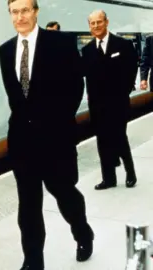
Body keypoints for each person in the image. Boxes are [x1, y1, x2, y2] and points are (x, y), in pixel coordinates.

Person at [0, 0, 94, 268]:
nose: (20, 16)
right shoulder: (4, 50)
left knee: (64, 193)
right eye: (15, 12)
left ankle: (83, 233)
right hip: (22, 142)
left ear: (36, 12)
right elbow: (16, 98)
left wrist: (57, 125)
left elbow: (76, 87)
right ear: (10, 15)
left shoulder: (60, 43)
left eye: (25, 10)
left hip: (55, 139)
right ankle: (33, 260)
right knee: (28, 205)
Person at [81, 10, 138, 190]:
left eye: (99, 22)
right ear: (89, 26)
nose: (96, 26)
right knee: (102, 140)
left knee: (120, 137)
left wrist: (123, 93)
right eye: (93, 23)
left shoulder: (123, 45)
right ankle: (109, 178)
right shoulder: (87, 50)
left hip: (118, 103)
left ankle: (130, 173)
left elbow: (131, 70)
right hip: (97, 106)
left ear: (107, 22)